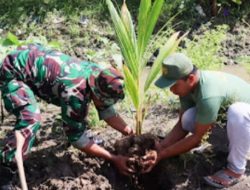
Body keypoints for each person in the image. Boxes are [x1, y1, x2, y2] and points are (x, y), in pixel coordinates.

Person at [0, 44, 134, 189]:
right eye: (103, 100)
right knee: (30, 119)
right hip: (13, 70)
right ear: (96, 91)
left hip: (31, 56)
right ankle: (5, 168)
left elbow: (107, 110)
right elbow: (76, 138)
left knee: (78, 116)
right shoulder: (75, 93)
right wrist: (113, 158)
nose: (105, 104)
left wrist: (130, 132)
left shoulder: (98, 74)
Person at [142, 53, 250, 188]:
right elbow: (182, 126)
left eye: (174, 85)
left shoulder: (208, 94)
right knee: (188, 118)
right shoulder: (188, 87)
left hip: (245, 123)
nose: (171, 90)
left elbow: (197, 138)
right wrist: (161, 147)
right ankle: (226, 148)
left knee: (238, 112)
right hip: (239, 128)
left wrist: (162, 155)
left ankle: (236, 169)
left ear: (191, 78)